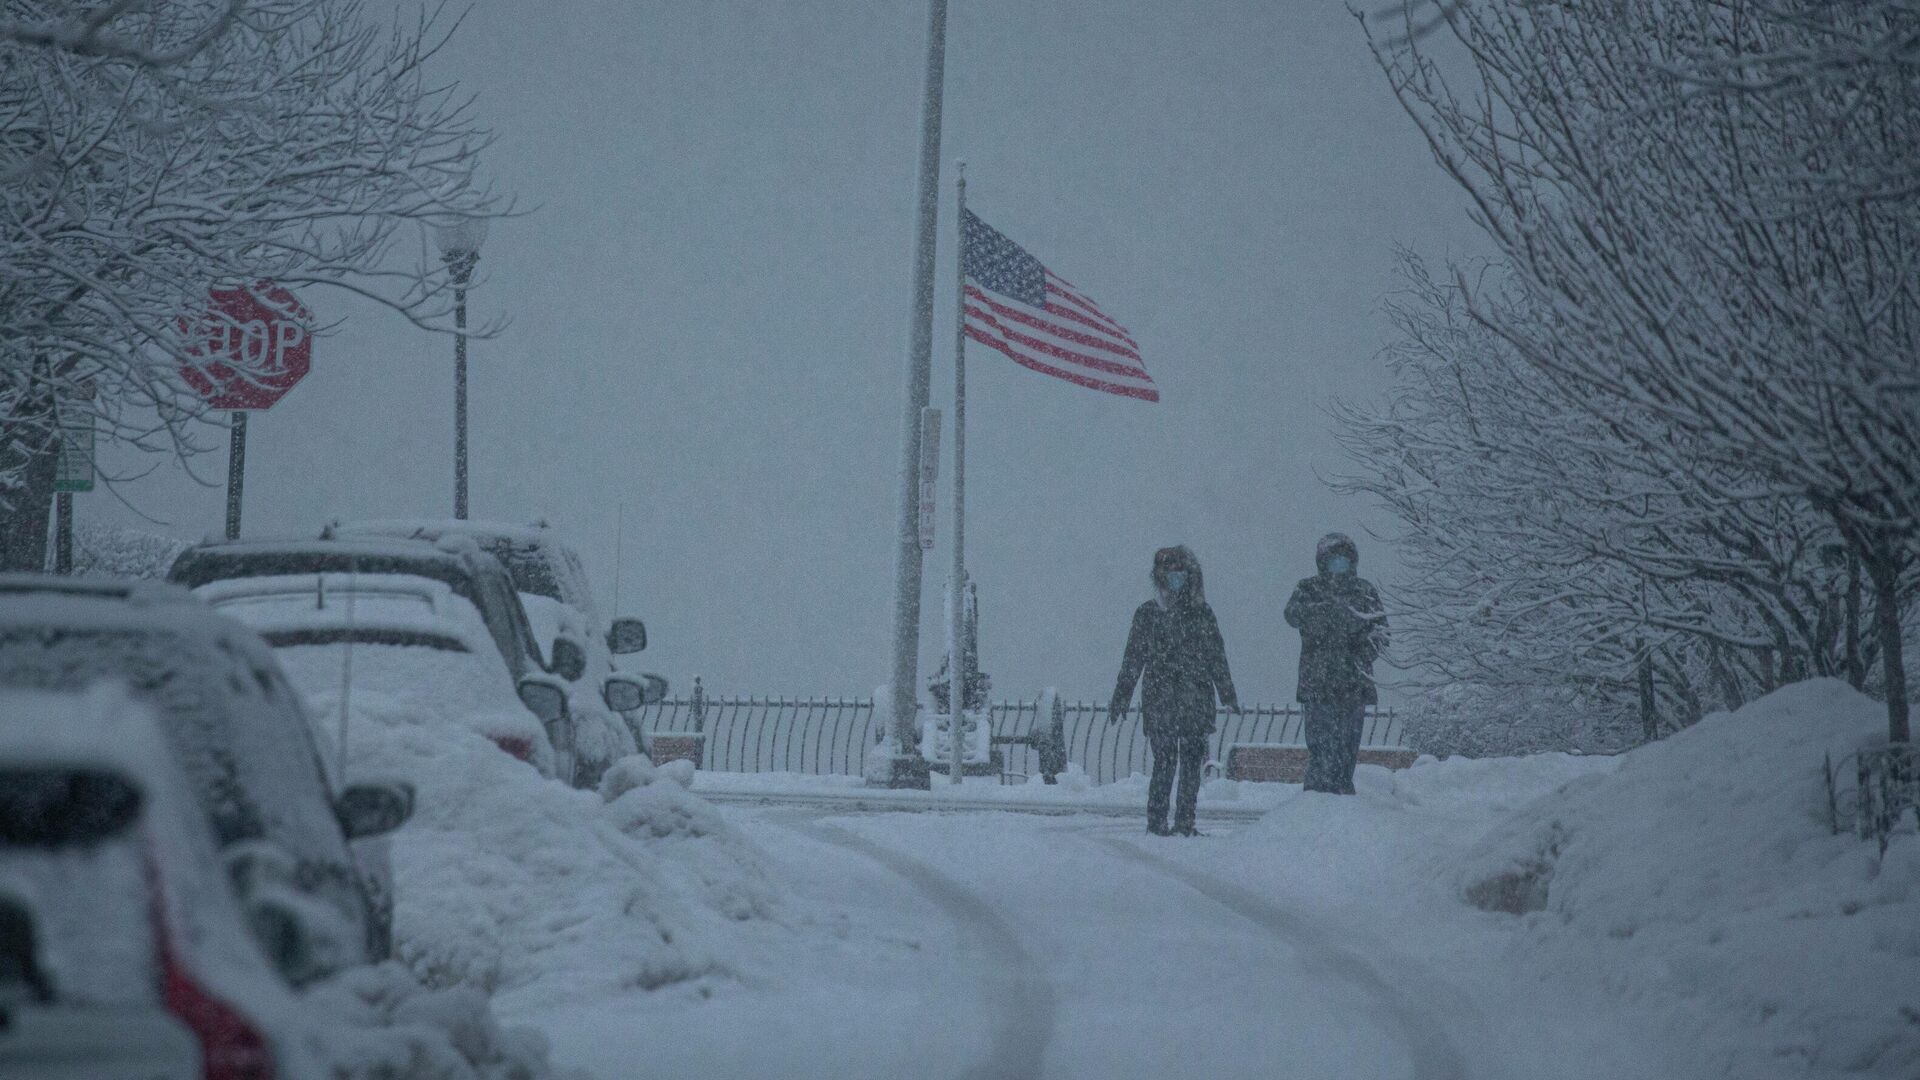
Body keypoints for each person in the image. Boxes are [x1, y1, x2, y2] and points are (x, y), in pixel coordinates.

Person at [1109, 546, 1239, 836]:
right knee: (1165, 762)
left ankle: (1184, 822)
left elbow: (1216, 655)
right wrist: (1121, 696)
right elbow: (1133, 659)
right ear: (1160, 576)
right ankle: (1158, 822)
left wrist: (1227, 693)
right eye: (1170, 572)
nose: (1176, 577)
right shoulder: (1148, 614)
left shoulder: (1201, 613)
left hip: (1187, 699)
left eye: (1181, 571)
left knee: (1190, 764)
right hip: (1163, 701)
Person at [1284, 532, 1388, 794]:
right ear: (1322, 561)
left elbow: (1382, 634)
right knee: (1320, 746)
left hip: (1353, 683)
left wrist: (1359, 653)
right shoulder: (1308, 589)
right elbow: (1292, 615)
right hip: (1317, 682)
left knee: (1347, 747)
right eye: (1333, 559)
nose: (1338, 565)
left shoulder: (1364, 591)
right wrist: (1325, 612)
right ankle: (1317, 799)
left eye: (1343, 559)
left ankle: (1342, 798)